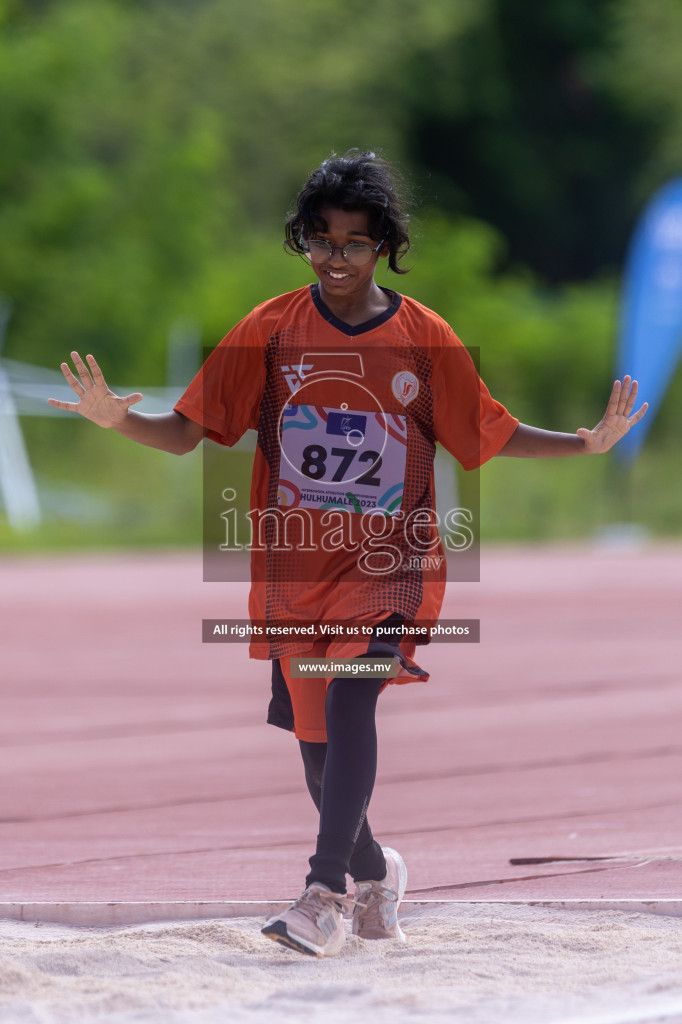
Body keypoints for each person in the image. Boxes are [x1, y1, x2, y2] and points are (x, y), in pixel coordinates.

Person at [48, 150, 647, 959]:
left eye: (354, 243)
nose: (335, 259)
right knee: (317, 754)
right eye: (320, 241)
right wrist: (121, 420)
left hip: (389, 571)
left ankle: (323, 890)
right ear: (303, 241)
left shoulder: (423, 338)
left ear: (384, 248)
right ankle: (373, 869)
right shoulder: (269, 330)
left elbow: (489, 434)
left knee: (350, 701)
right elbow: (189, 431)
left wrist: (585, 443)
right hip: (295, 575)